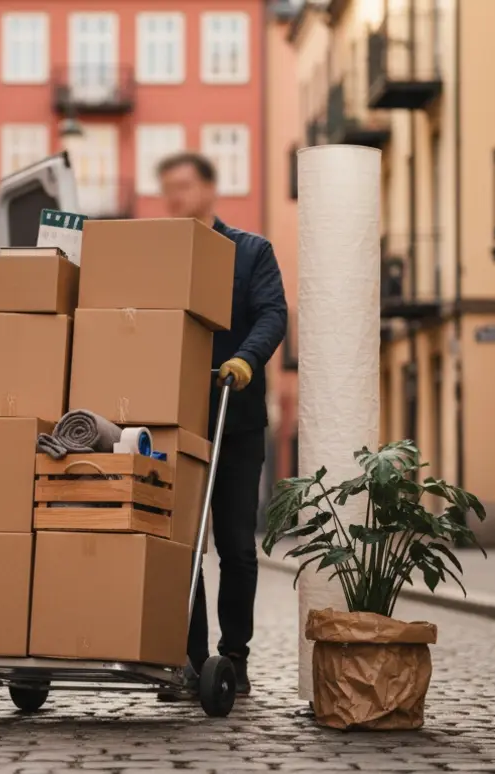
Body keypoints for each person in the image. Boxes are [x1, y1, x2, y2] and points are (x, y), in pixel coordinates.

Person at [153, 151, 288, 698]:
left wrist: (247, 361)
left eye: (184, 186)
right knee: (182, 545)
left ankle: (234, 655)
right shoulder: (161, 254)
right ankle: (191, 660)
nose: (176, 197)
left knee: (234, 543)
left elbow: (273, 312)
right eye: (169, 188)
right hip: (175, 418)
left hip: (235, 415)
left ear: (210, 189)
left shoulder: (251, 252)